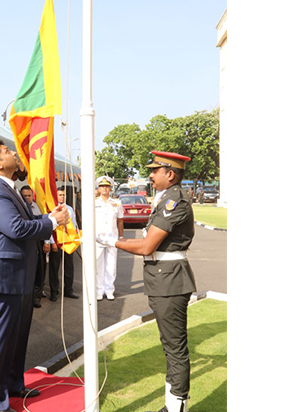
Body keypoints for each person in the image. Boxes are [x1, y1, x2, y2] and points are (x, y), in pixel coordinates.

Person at [0, 140, 70, 412]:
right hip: (1, 276)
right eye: (6, 151)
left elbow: (23, 225)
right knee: (1, 339)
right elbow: (16, 228)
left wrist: (49, 217)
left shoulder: (7, 188)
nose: (14, 153)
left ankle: (13, 384)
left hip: (17, 274)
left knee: (17, 336)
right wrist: (50, 222)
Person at [96, 150, 196, 412]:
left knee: (175, 346)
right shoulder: (166, 198)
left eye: (155, 171)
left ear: (170, 174)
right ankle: (172, 403)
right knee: (169, 343)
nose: (150, 175)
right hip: (162, 278)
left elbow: (146, 246)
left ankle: (177, 407)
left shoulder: (176, 201)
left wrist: (111, 241)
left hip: (170, 280)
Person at [47, 186, 80, 301]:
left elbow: (74, 225)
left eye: (63, 195)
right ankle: (54, 292)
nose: (62, 197)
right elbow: (49, 227)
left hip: (68, 242)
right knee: (54, 268)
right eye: (60, 195)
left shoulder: (69, 209)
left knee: (69, 267)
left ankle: (68, 290)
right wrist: (52, 242)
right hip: (56, 242)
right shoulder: (52, 208)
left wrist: (75, 240)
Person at [94, 176, 124, 301]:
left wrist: (121, 236)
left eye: (107, 186)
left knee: (111, 266)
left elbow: (120, 221)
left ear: (110, 188)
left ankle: (109, 290)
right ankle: (99, 290)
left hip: (112, 238)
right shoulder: (94, 202)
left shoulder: (117, 203)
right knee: (98, 265)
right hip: (98, 238)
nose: (104, 189)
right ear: (98, 189)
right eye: (102, 186)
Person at [20, 185, 47, 308]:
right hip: (23, 243)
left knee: (39, 270)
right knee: (25, 272)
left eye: (29, 196)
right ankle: (26, 298)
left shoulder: (37, 206)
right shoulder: (17, 208)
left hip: (37, 242)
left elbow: (44, 224)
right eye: (24, 196)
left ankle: (36, 297)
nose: (27, 198)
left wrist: (47, 242)